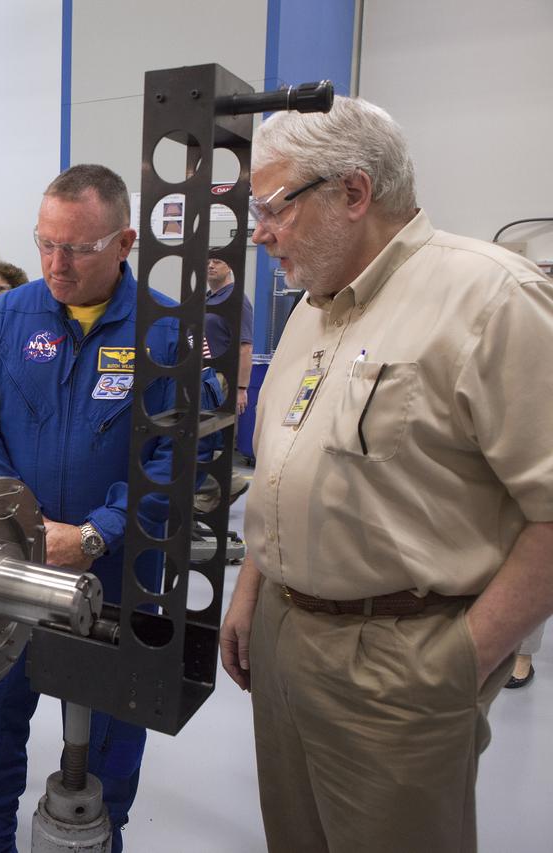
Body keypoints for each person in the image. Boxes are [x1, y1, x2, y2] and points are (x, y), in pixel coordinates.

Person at [218, 96, 553, 853]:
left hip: (400, 656)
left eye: (273, 207)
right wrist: (250, 590)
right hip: (281, 636)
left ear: (354, 192)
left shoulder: (493, 299)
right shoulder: (311, 306)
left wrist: (462, 658)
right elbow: (282, 466)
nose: (260, 232)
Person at [0, 163, 184, 853]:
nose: (56, 263)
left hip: (113, 585)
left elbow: (175, 461)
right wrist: (26, 523)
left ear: (125, 242)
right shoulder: (6, 317)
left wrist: (96, 534)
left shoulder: (166, 333)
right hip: (7, 574)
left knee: (105, 774)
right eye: (45, 243)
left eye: (77, 248)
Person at [204, 255, 253, 416]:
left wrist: (240, 389)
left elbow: (245, 348)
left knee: (219, 430)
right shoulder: (206, 298)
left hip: (222, 378)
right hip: (204, 375)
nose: (211, 265)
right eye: (208, 262)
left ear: (230, 267)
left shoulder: (235, 299)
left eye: (217, 261)